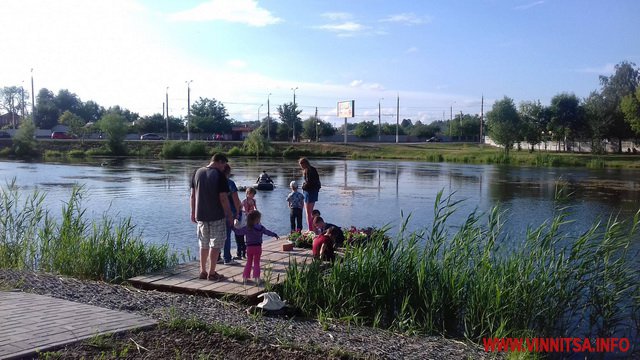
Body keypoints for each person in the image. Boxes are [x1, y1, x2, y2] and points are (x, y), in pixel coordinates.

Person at [190, 153, 233, 282]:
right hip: (216, 216)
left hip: (201, 216)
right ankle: (212, 273)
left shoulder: (197, 172)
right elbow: (223, 198)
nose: (224, 167)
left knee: (203, 244)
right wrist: (230, 215)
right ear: (219, 161)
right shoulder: (219, 175)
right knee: (215, 244)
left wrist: (192, 212)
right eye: (224, 164)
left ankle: (202, 271)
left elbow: (192, 196)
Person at [231, 210, 279, 284]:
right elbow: (268, 232)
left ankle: (245, 278)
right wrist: (275, 235)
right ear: (257, 219)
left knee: (249, 262)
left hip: (249, 248)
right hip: (258, 248)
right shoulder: (261, 228)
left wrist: (232, 227)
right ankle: (257, 279)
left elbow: (238, 232)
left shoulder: (247, 228)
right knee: (256, 263)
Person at [222, 164, 242, 265]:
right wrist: (238, 213)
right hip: (230, 213)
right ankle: (227, 258)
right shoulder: (230, 183)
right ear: (228, 172)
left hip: (217, 213)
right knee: (227, 236)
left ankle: (217, 257)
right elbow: (235, 200)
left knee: (217, 235)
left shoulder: (215, 182)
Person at [299, 157, 321, 231]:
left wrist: (303, 186)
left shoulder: (308, 170)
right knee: (310, 212)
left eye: (301, 165)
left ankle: (311, 229)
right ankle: (313, 227)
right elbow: (317, 181)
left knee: (308, 213)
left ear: (304, 163)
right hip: (313, 192)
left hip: (309, 192)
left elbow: (309, 183)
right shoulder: (312, 169)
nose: (301, 167)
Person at [236, 187, 257, 259]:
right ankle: (242, 253)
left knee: (250, 236)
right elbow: (242, 210)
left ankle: (247, 251)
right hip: (245, 219)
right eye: (252, 194)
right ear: (248, 194)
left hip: (251, 219)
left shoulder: (254, 201)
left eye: (253, 195)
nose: (253, 196)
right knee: (243, 236)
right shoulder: (244, 201)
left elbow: (255, 209)